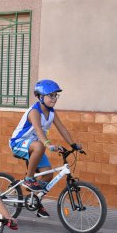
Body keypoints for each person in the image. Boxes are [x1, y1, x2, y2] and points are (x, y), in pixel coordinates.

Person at [9, 79, 81, 218]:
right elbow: (38, 129)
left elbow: (62, 128)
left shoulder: (52, 112)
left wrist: (72, 144)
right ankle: (29, 178)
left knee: (48, 175)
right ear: (40, 97)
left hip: (37, 146)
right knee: (39, 146)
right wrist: (48, 144)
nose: (54, 99)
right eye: (50, 96)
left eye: (55, 95)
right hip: (19, 143)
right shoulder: (34, 112)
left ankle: (35, 201)